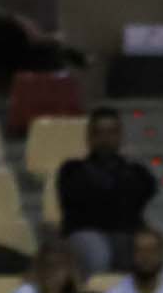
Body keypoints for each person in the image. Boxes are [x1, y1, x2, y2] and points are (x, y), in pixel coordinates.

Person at [52, 108, 156, 275]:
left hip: (125, 235)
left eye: (111, 132)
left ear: (120, 135)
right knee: (97, 253)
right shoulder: (72, 170)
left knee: (146, 249)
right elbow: (79, 203)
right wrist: (117, 196)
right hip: (84, 233)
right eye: (99, 133)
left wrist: (104, 195)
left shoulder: (137, 171)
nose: (105, 139)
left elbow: (143, 194)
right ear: (89, 137)